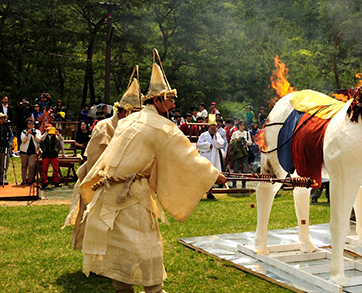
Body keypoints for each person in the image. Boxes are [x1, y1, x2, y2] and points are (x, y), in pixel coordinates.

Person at [69, 52, 227, 293]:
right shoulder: (162, 126)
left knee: (121, 251)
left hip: (109, 194)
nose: (174, 105)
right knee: (148, 249)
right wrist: (213, 174)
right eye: (171, 100)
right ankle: (154, 290)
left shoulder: (128, 122)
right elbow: (186, 156)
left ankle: (126, 289)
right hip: (131, 197)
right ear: (161, 100)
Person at [63, 65, 144, 252]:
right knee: (96, 223)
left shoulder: (131, 129)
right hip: (98, 182)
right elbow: (95, 163)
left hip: (120, 183)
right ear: (125, 112)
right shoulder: (103, 128)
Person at [229, 121, 252, 188]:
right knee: (235, 170)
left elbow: (250, 143)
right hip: (237, 153)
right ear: (238, 126)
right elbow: (231, 142)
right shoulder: (235, 133)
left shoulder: (247, 133)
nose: (242, 126)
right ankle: (234, 185)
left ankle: (243, 185)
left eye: (243, 125)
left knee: (244, 170)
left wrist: (246, 142)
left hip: (244, 153)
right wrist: (237, 140)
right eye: (241, 125)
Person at [19, 118, 40, 185]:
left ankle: (30, 178)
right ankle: (24, 179)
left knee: (31, 165)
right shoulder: (23, 132)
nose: (31, 125)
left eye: (32, 123)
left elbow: (39, 140)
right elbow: (23, 141)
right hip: (24, 151)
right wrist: (27, 134)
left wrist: (34, 135)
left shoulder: (37, 131)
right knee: (24, 165)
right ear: (27, 124)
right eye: (29, 123)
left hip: (33, 151)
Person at [0, 113, 13, 185]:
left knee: (4, 164)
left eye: (3, 118)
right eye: (1, 118)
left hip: (5, 147)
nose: (3, 120)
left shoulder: (7, 127)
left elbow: (11, 136)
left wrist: (9, 142)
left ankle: (3, 178)